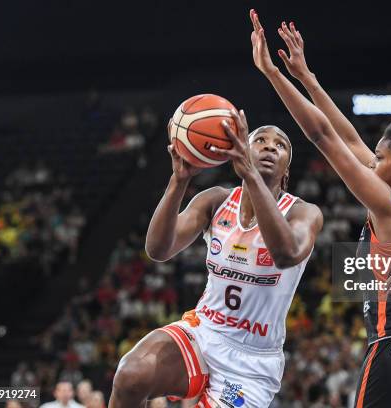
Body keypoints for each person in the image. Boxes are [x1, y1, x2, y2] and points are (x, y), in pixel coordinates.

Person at [249, 10, 391, 407]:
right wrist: (307, 77)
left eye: (380, 156)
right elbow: (348, 137)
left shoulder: (389, 207)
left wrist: (271, 73)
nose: (372, 161)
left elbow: (322, 135)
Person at [109, 109, 323, 407]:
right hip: (204, 331)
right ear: (243, 150)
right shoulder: (216, 200)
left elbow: (286, 254)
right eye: (260, 139)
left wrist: (249, 172)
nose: (270, 146)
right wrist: (178, 180)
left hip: (251, 364)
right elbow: (158, 250)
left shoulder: (303, 212)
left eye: (281, 145)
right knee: (131, 374)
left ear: (286, 172)